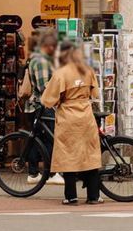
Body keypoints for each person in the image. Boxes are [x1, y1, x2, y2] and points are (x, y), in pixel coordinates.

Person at [40, 40, 103, 205]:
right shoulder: (87, 70)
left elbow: (48, 99)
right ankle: (93, 196)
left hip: (68, 116)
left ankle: (71, 196)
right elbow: (95, 93)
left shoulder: (61, 73)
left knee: (68, 155)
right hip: (86, 115)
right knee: (89, 154)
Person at [18, 28, 58, 184]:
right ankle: (47, 173)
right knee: (47, 139)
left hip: (40, 105)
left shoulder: (42, 59)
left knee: (38, 138)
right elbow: (44, 88)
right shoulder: (41, 61)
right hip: (42, 105)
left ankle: (35, 173)